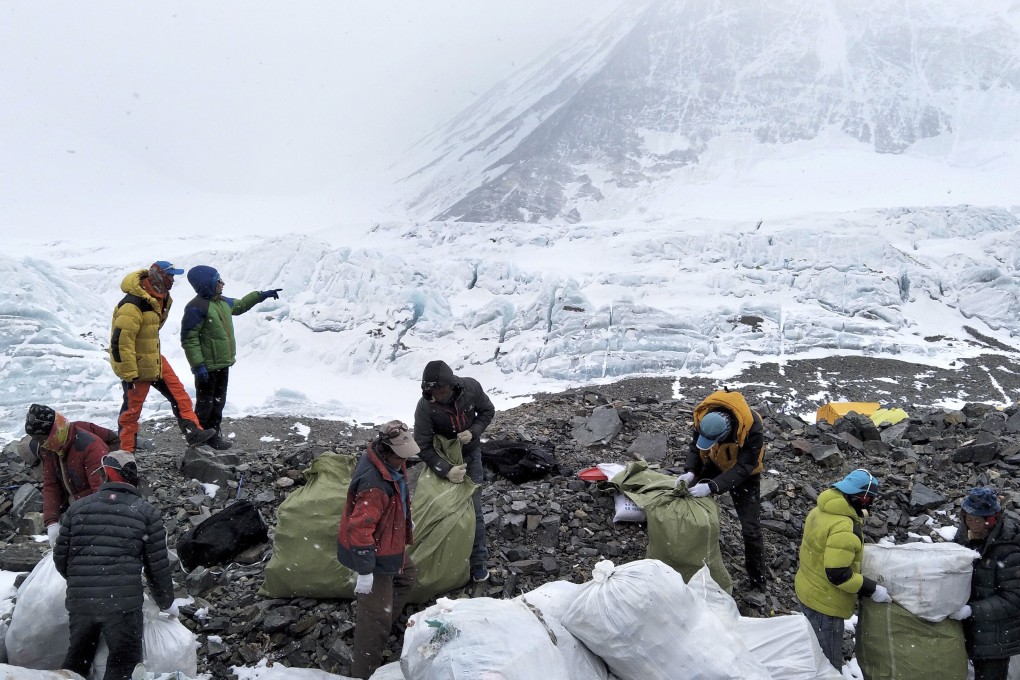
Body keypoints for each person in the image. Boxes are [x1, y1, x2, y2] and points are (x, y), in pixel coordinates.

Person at [53, 451, 176, 680]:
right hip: (122, 606)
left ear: (107, 474)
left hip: (82, 603)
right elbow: (156, 567)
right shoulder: (146, 513)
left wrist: (83, 582)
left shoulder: (78, 508)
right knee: (123, 665)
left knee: (77, 661)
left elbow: (61, 558)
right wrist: (166, 602)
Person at [337, 421, 419, 679]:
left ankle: (384, 619)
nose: (404, 460)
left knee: (406, 576)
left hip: (388, 544)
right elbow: (359, 529)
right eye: (400, 455)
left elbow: (397, 496)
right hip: (375, 554)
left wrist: (403, 520)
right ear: (386, 450)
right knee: (373, 621)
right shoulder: (374, 484)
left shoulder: (390, 463)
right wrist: (365, 571)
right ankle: (363, 671)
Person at [109, 260, 216, 453]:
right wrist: (128, 372)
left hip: (154, 358)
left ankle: (194, 433)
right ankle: (125, 453)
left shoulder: (159, 298)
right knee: (132, 411)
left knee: (179, 394)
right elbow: (120, 341)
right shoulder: (133, 304)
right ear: (159, 276)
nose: (173, 280)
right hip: (137, 365)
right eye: (170, 275)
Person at [794, 468, 891, 670]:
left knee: (812, 650)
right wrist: (872, 589)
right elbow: (838, 575)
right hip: (825, 605)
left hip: (807, 591)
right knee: (828, 664)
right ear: (861, 498)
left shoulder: (820, 510)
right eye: (869, 500)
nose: (870, 505)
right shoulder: (843, 526)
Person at [677, 388, 769, 596]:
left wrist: (712, 486)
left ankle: (758, 583)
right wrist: (691, 472)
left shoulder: (752, 427)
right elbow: (696, 447)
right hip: (717, 460)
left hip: (746, 473)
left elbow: (745, 467)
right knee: (686, 497)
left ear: (725, 434)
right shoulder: (704, 418)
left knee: (751, 529)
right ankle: (689, 557)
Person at [180, 265, 282, 450]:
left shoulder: (222, 302)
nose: (222, 283)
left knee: (218, 402)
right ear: (207, 284)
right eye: (218, 280)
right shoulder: (196, 307)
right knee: (205, 404)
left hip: (222, 363)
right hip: (207, 367)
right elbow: (189, 339)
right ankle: (199, 438)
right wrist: (198, 365)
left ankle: (214, 436)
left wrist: (260, 295)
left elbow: (241, 305)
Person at [413, 360, 495, 583]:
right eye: (433, 392)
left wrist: (474, 431)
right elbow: (422, 445)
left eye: (441, 391)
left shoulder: (471, 388)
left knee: (473, 508)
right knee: (440, 506)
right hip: (443, 458)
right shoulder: (426, 406)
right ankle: (444, 561)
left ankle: (478, 562)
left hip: (471, 456)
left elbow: (487, 411)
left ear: (451, 385)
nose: (438, 396)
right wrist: (446, 470)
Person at [23, 404, 120, 547]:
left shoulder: (89, 446)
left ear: (52, 432)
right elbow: (51, 485)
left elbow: (101, 493)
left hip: (95, 508)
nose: (40, 444)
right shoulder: (50, 448)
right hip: (76, 505)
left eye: (40, 439)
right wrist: (52, 522)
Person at [949, 487, 1020, 680]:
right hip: (971, 632)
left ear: (991, 520)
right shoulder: (964, 537)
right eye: (969, 519)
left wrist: (972, 610)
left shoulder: (1009, 549)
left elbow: (1014, 599)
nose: (972, 525)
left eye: (978, 521)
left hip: (996, 638)